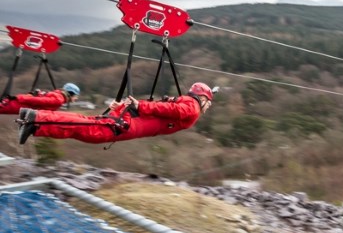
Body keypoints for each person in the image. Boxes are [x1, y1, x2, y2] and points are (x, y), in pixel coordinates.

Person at [17, 82, 213, 145]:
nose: (207, 108)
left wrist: (120, 109)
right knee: (84, 129)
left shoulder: (186, 103)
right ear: (202, 98)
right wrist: (141, 106)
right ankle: (36, 121)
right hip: (127, 125)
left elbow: (162, 112)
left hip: (128, 121)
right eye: (208, 103)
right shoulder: (192, 107)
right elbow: (172, 110)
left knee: (82, 123)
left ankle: (35, 120)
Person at [0, 83, 80, 115]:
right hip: (15, 105)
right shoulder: (58, 100)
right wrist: (17, 97)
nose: (76, 98)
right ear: (71, 94)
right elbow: (36, 100)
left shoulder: (57, 95)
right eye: (76, 96)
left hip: (16, 104)